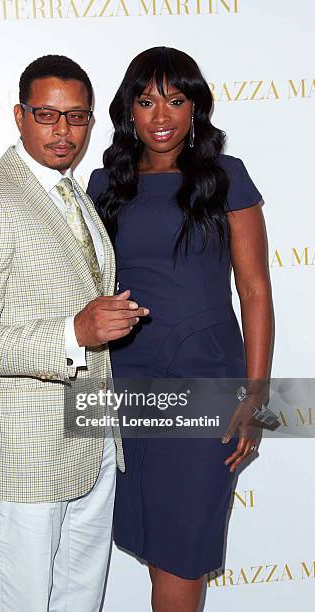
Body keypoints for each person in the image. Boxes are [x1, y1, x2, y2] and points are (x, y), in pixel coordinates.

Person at [0, 54, 148, 612]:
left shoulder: (71, 192)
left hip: (91, 432)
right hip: (24, 444)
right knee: (23, 600)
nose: (64, 132)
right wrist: (71, 333)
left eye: (77, 117)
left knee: (82, 596)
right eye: (48, 116)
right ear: (19, 115)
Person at [87, 46, 273, 612]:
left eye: (175, 99)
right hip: (124, 386)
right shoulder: (103, 185)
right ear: (129, 112)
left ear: (196, 108)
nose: (161, 115)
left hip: (206, 383)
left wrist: (255, 395)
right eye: (146, 101)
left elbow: (257, 292)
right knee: (150, 533)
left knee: (181, 547)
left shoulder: (225, 177)